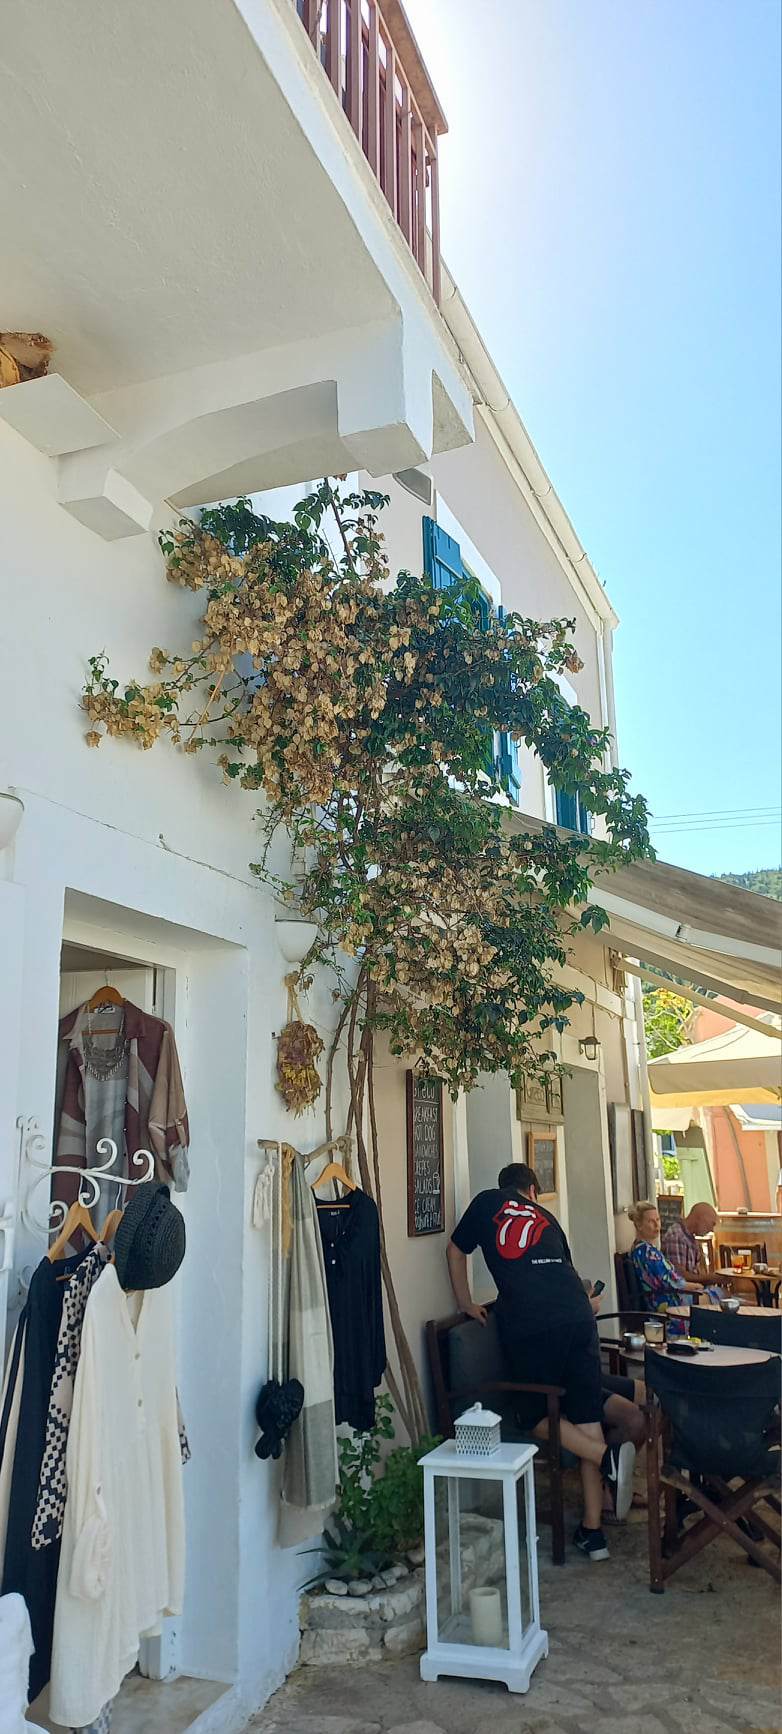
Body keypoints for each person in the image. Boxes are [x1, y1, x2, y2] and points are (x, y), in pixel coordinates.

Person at [447, 1162, 635, 1563]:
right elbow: (566, 1276)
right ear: (532, 1191)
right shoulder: (548, 1217)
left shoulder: (486, 1201)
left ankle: (606, 1458)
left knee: (533, 1415)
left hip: (532, 1323)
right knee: (587, 1418)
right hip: (579, 1317)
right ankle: (593, 1533)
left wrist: (465, 1302)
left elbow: (455, 1249)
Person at [629, 1200, 704, 1314]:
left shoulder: (643, 1249)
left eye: (658, 1220)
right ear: (639, 1225)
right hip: (668, 1303)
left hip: (669, 1296)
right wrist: (695, 1286)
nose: (657, 1225)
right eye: (651, 1221)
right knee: (719, 1296)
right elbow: (670, 1281)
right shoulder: (647, 1253)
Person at [662, 1201, 717, 1281]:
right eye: (712, 1224)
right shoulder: (677, 1236)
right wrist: (713, 1278)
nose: (712, 1229)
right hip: (686, 1288)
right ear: (701, 1218)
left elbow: (699, 1271)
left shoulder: (691, 1238)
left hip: (695, 1287)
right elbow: (679, 1277)